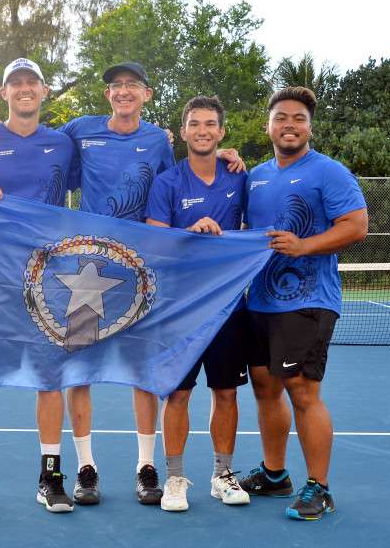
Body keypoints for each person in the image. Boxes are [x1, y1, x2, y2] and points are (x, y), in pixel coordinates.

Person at [0, 62, 244, 506]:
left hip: (140, 270)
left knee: (143, 371)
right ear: (108, 95)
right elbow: (31, 136)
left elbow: (182, 178)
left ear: (147, 93)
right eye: (116, 86)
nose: (124, 91)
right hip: (86, 270)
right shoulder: (79, 131)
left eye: (132, 85)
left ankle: (146, 466)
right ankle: (86, 467)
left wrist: (225, 154)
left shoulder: (159, 140)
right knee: (78, 370)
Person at [0, 58, 76, 514]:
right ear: (3, 93)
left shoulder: (64, 143)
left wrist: (167, 139)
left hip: (50, 280)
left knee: (51, 381)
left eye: (31, 82)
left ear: (44, 91)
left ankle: (50, 478)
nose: (24, 89)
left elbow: (109, 162)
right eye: (15, 83)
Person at [240, 86, 368, 520]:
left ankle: (320, 487)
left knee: (302, 391)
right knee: (265, 388)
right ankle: (275, 474)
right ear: (268, 126)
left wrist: (304, 245)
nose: (289, 125)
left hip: (309, 301)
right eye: (281, 117)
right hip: (259, 301)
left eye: (299, 118)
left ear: (310, 127)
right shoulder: (255, 176)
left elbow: (356, 226)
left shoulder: (329, 172)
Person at [145, 95, 252, 512]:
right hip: (180, 309)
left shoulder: (239, 177)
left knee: (226, 393)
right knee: (178, 395)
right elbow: (154, 243)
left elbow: (255, 227)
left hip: (229, 308)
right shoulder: (167, 183)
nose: (203, 131)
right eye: (195, 124)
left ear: (221, 132)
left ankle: (222, 475)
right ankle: (174, 479)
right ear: (183, 131)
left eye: (210, 124)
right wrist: (191, 232)